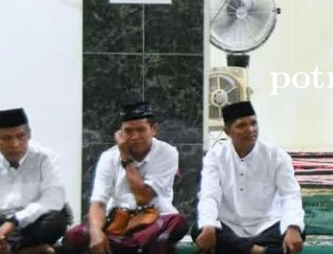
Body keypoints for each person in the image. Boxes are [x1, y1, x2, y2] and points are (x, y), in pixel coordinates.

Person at [64, 101, 188, 254]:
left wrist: (126, 158)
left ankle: (128, 245)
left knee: (178, 223)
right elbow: (98, 203)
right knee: (76, 235)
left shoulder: (167, 153)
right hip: (116, 222)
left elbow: (143, 196)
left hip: (155, 218)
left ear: (153, 129)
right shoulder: (108, 157)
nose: (135, 136)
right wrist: (96, 233)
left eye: (141, 130)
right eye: (129, 131)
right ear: (120, 133)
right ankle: (131, 245)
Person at [193, 101, 304, 254]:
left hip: (267, 225)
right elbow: (209, 195)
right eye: (241, 125)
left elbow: (290, 194)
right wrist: (208, 226)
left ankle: (244, 250)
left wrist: (293, 227)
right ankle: (259, 251)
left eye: (253, 123)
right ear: (227, 131)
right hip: (230, 225)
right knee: (199, 229)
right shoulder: (215, 157)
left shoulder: (276, 155)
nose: (250, 130)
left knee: (297, 231)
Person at [0, 108, 68, 254]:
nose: (15, 144)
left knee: (57, 220)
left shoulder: (44, 157)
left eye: (20, 136)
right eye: (7, 138)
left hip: (32, 222)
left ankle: (11, 250)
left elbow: (54, 197)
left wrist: (15, 220)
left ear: (29, 134)